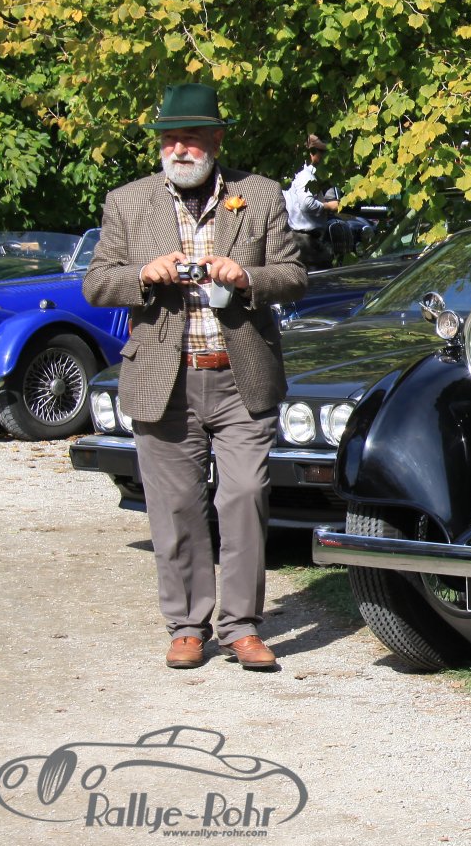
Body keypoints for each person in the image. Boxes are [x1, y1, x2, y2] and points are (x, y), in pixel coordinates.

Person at [83, 83, 306, 671]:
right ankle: (187, 626)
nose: (178, 149)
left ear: (216, 140)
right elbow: (96, 283)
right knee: (176, 506)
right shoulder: (127, 202)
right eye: (169, 139)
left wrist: (246, 277)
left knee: (245, 496)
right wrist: (143, 274)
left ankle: (241, 626)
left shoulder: (259, 195)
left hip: (240, 376)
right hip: (166, 379)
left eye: (190, 138)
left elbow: (294, 276)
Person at [285, 134, 339, 269]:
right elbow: (306, 204)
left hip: (303, 238)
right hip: (304, 239)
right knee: (323, 273)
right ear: (312, 153)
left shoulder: (304, 174)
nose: (326, 157)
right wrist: (329, 206)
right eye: (323, 152)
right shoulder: (307, 176)